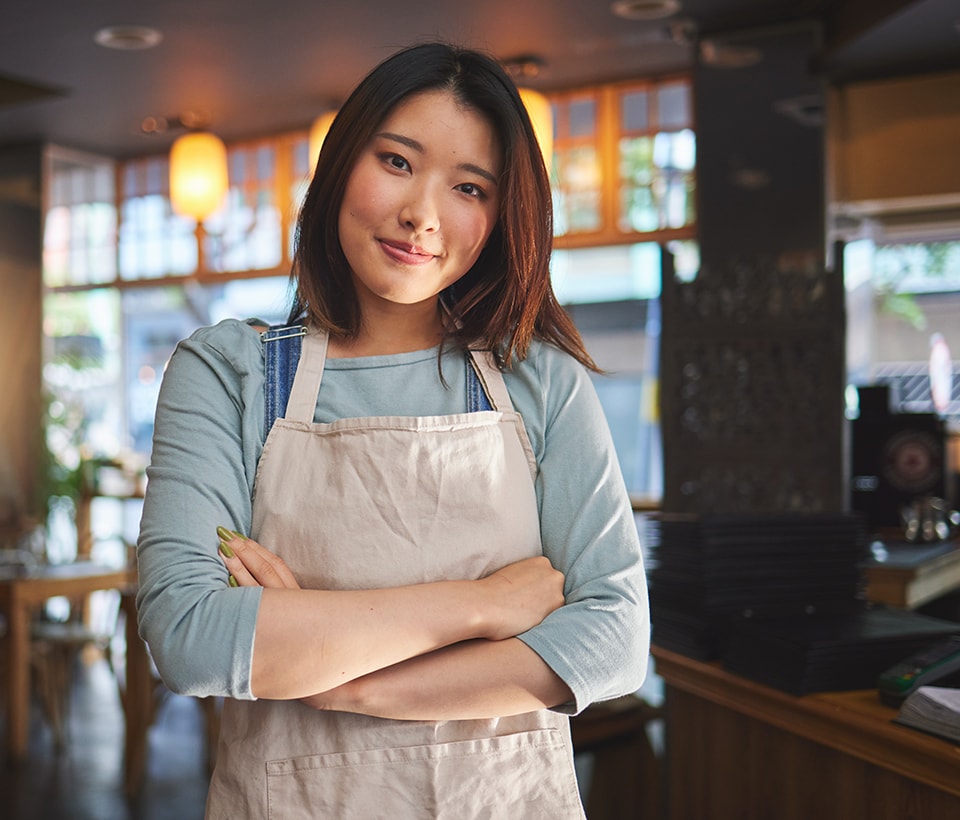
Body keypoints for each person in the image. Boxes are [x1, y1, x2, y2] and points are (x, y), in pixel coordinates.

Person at [136, 41, 650, 818]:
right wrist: (481, 607)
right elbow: (190, 635)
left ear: (500, 214)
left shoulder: (538, 379)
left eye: (469, 186)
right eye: (398, 162)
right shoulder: (228, 373)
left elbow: (615, 642)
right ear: (342, 164)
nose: (423, 215)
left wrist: (343, 680)